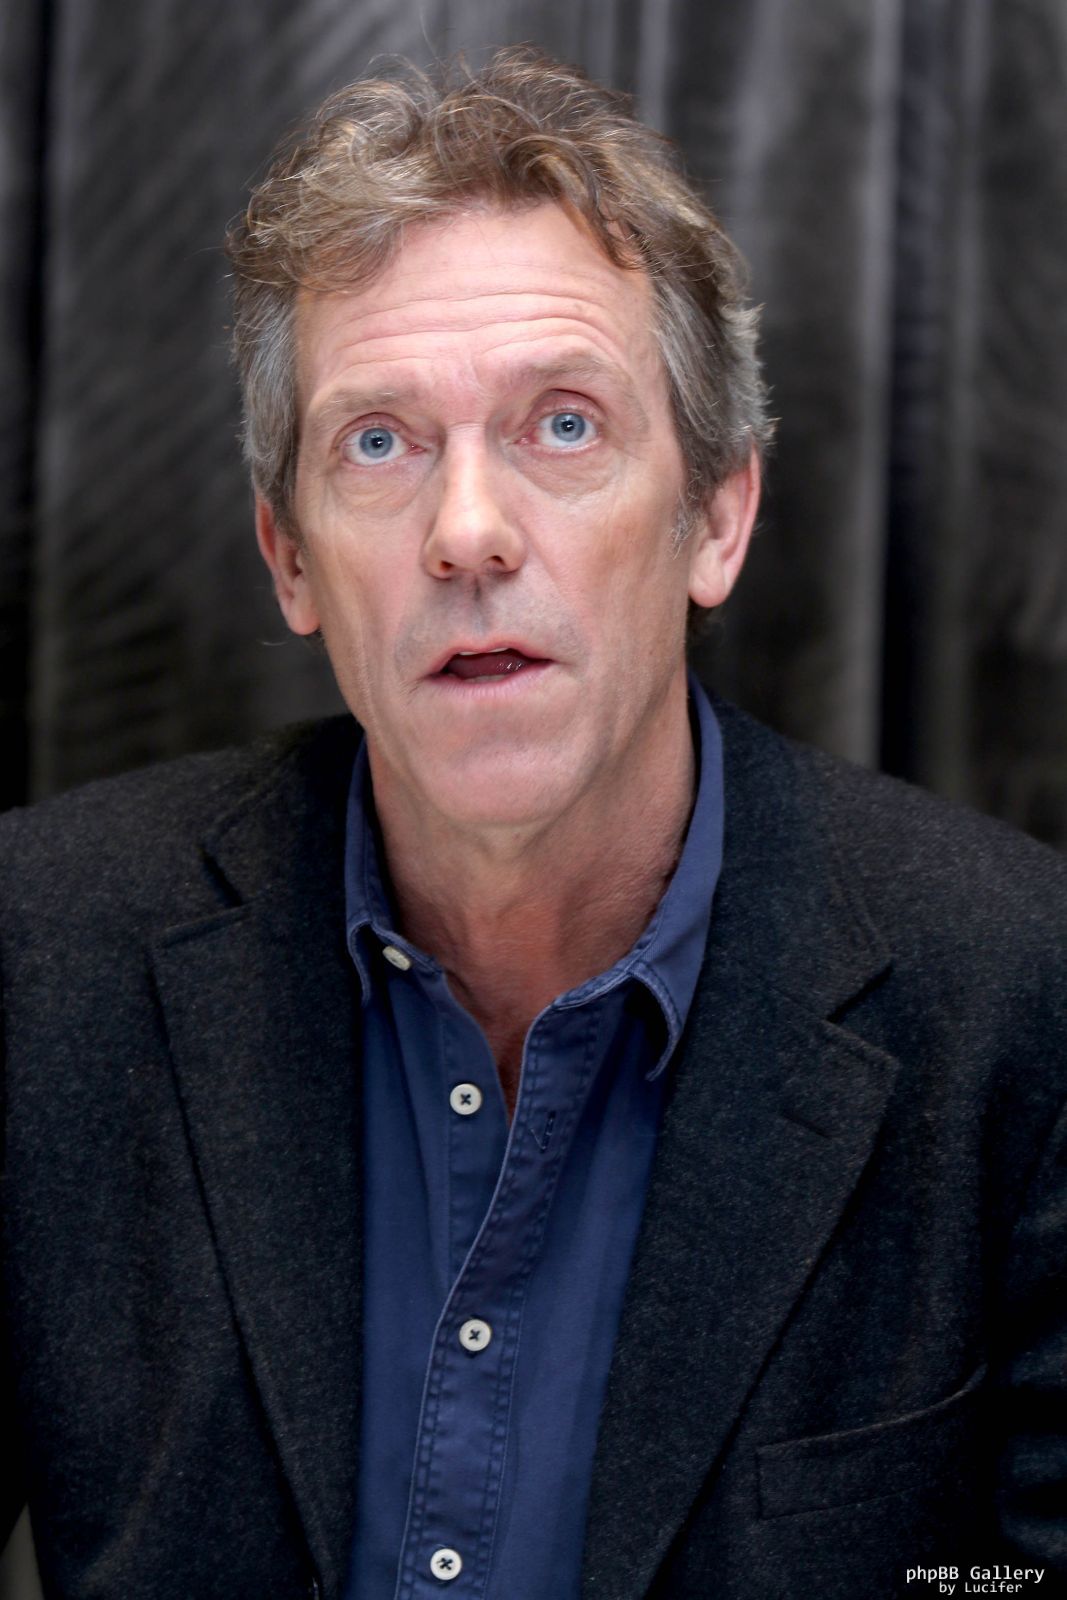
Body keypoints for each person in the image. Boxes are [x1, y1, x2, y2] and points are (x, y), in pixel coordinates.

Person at [1, 47, 1065, 1600]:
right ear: (290, 559)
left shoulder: (1022, 1001)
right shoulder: (40, 959)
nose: (470, 532)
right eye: (379, 442)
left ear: (718, 515)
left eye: (564, 426)